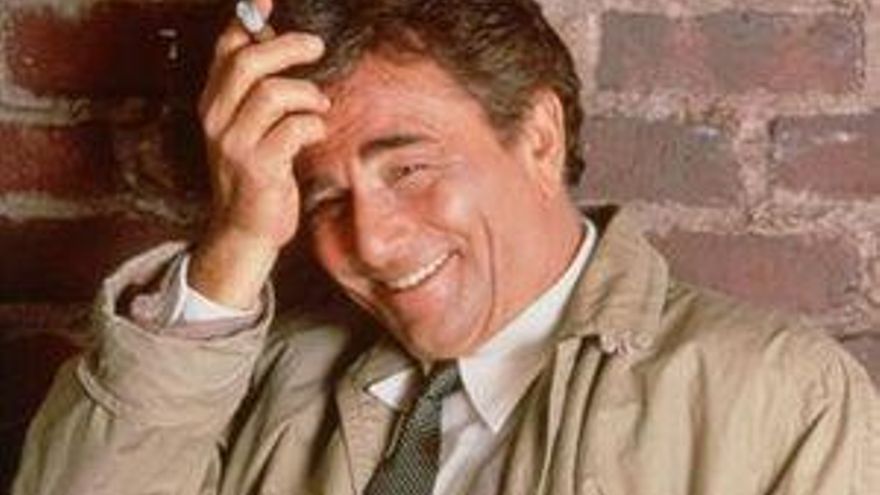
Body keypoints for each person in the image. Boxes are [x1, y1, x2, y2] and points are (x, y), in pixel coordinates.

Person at [13, 0, 878, 493]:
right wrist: (235, 243)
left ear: (538, 136)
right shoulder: (250, 389)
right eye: (323, 195)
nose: (372, 239)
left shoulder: (779, 398)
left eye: (411, 168)